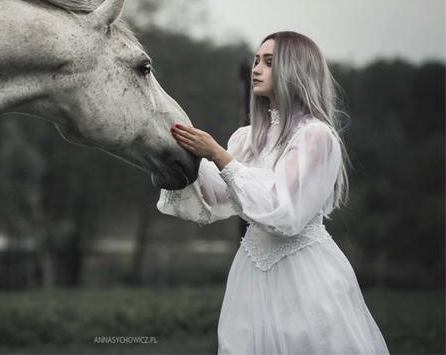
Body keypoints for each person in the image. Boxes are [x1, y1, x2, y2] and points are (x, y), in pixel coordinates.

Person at [157, 31, 390, 354]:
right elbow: (215, 198)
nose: (256, 68)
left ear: (294, 70)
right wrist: (173, 159)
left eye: (268, 62)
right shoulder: (246, 138)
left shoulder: (315, 137)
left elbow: (285, 213)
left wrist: (220, 156)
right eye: (255, 60)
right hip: (251, 273)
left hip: (305, 275)